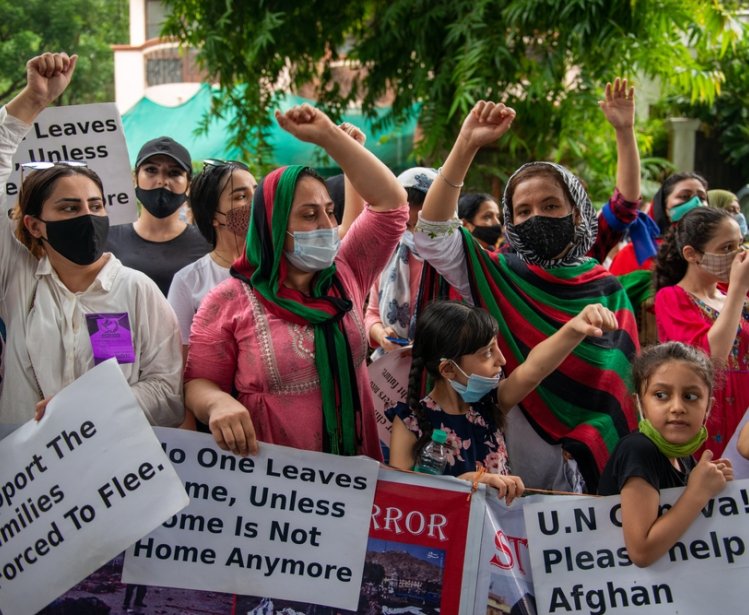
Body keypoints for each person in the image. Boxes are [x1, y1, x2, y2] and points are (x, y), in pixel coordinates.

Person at [413, 98, 639, 493]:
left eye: (550, 205)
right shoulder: (494, 274)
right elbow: (432, 232)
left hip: (593, 462)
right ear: (511, 222)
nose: (536, 216)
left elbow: (622, 381)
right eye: (523, 210)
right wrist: (466, 143)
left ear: (575, 213)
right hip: (514, 448)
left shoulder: (606, 287)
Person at [184, 103, 408, 457]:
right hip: (276, 488)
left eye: (329, 212)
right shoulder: (227, 301)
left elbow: (392, 204)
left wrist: (330, 137)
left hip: (355, 474)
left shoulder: (345, 275)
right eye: (308, 215)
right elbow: (199, 382)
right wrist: (216, 404)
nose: (325, 225)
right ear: (273, 226)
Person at [0, 52, 183, 426]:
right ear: (35, 225)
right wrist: (32, 101)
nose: (87, 216)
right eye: (69, 208)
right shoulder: (17, 278)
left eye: (95, 205)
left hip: (112, 471)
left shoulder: (137, 289)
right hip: (27, 472)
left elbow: (168, 393)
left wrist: (87, 406)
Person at [388, 299, 618, 503]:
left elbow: (533, 369)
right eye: (488, 352)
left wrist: (575, 328)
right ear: (448, 369)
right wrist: (464, 483)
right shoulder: (410, 422)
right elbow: (400, 501)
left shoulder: (490, 403)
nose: (502, 359)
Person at [598, 342, 734, 567]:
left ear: (708, 407)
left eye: (691, 396)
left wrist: (712, 485)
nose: (677, 407)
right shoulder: (639, 450)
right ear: (639, 403)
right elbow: (641, 552)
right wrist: (698, 493)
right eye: (661, 395)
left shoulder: (684, 459)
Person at [653, 206, 749, 456]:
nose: (738, 254)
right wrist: (738, 288)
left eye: (740, 244)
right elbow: (710, 359)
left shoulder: (737, 297)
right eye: (726, 248)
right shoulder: (672, 298)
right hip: (712, 412)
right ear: (691, 254)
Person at [168, 160, 258, 351]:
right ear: (213, 217)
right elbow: (181, 359)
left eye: (256, 192)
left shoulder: (283, 265)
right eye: (241, 196)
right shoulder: (188, 281)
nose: (256, 203)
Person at [106, 136, 210, 295]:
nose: (162, 181)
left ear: (188, 185)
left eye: (174, 173)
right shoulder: (108, 240)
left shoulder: (208, 244)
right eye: (151, 170)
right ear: (134, 179)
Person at [365, 167, 437, 357]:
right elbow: (372, 314)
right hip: (392, 369)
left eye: (423, 225)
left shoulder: (455, 262)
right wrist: (382, 335)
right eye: (407, 225)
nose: (414, 233)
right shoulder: (388, 257)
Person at [609, 171, 709, 275]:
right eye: (684, 196)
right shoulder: (633, 254)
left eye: (702, 198)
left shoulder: (718, 250)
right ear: (664, 207)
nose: (697, 202)